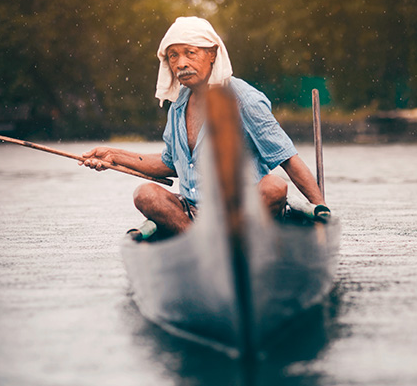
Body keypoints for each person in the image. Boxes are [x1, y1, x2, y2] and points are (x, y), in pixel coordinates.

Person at [81, 16, 330, 236]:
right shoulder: (178, 106)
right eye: (173, 55)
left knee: (275, 186)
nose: (180, 63)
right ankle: (199, 244)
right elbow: (170, 163)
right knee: (145, 194)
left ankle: (238, 243)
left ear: (212, 54)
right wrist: (113, 156)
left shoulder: (243, 99)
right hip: (194, 214)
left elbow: (288, 158)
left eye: (190, 52)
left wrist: (322, 211)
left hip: (247, 211)